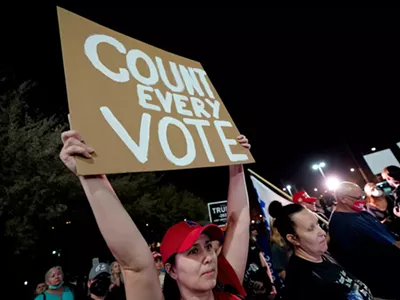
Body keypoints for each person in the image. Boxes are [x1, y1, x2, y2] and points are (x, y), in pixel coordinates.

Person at [59, 130, 251, 300]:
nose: (208, 257)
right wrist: (89, 172)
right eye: (193, 251)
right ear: (172, 270)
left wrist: (236, 160)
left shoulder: (230, 295)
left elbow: (238, 223)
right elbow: (135, 263)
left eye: (208, 247)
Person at [268, 200, 373, 300]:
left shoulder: (322, 255)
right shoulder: (302, 283)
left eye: (317, 224)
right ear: (293, 238)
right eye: (311, 229)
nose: (322, 232)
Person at [329, 181, 400, 299]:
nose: (362, 200)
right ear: (343, 199)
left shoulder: (360, 213)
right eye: (357, 198)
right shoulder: (340, 225)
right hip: (386, 278)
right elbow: (360, 259)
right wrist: (392, 248)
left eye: (362, 196)